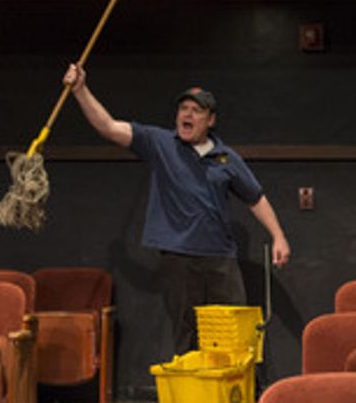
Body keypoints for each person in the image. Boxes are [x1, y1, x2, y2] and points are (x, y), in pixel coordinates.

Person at [62, 63, 290, 357]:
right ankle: (190, 399)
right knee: (185, 330)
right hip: (178, 254)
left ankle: (238, 398)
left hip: (220, 256)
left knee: (233, 329)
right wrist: (80, 90)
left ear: (210, 120)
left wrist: (278, 236)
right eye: (183, 108)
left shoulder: (226, 158)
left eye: (196, 110)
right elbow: (109, 127)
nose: (187, 114)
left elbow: (255, 198)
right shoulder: (160, 143)